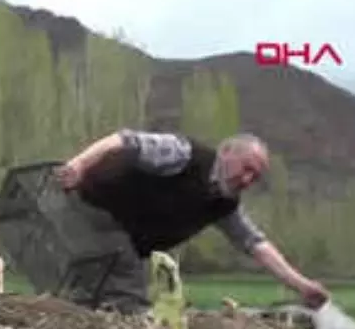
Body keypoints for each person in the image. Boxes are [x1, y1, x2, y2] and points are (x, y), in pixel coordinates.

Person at [55, 128, 330, 311]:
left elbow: (255, 243)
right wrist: (78, 164)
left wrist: (301, 285)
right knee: (128, 294)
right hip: (91, 206)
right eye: (246, 168)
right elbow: (124, 140)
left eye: (255, 177)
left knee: (110, 287)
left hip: (120, 236)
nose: (247, 180)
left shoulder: (224, 202)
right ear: (226, 153)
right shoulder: (182, 154)